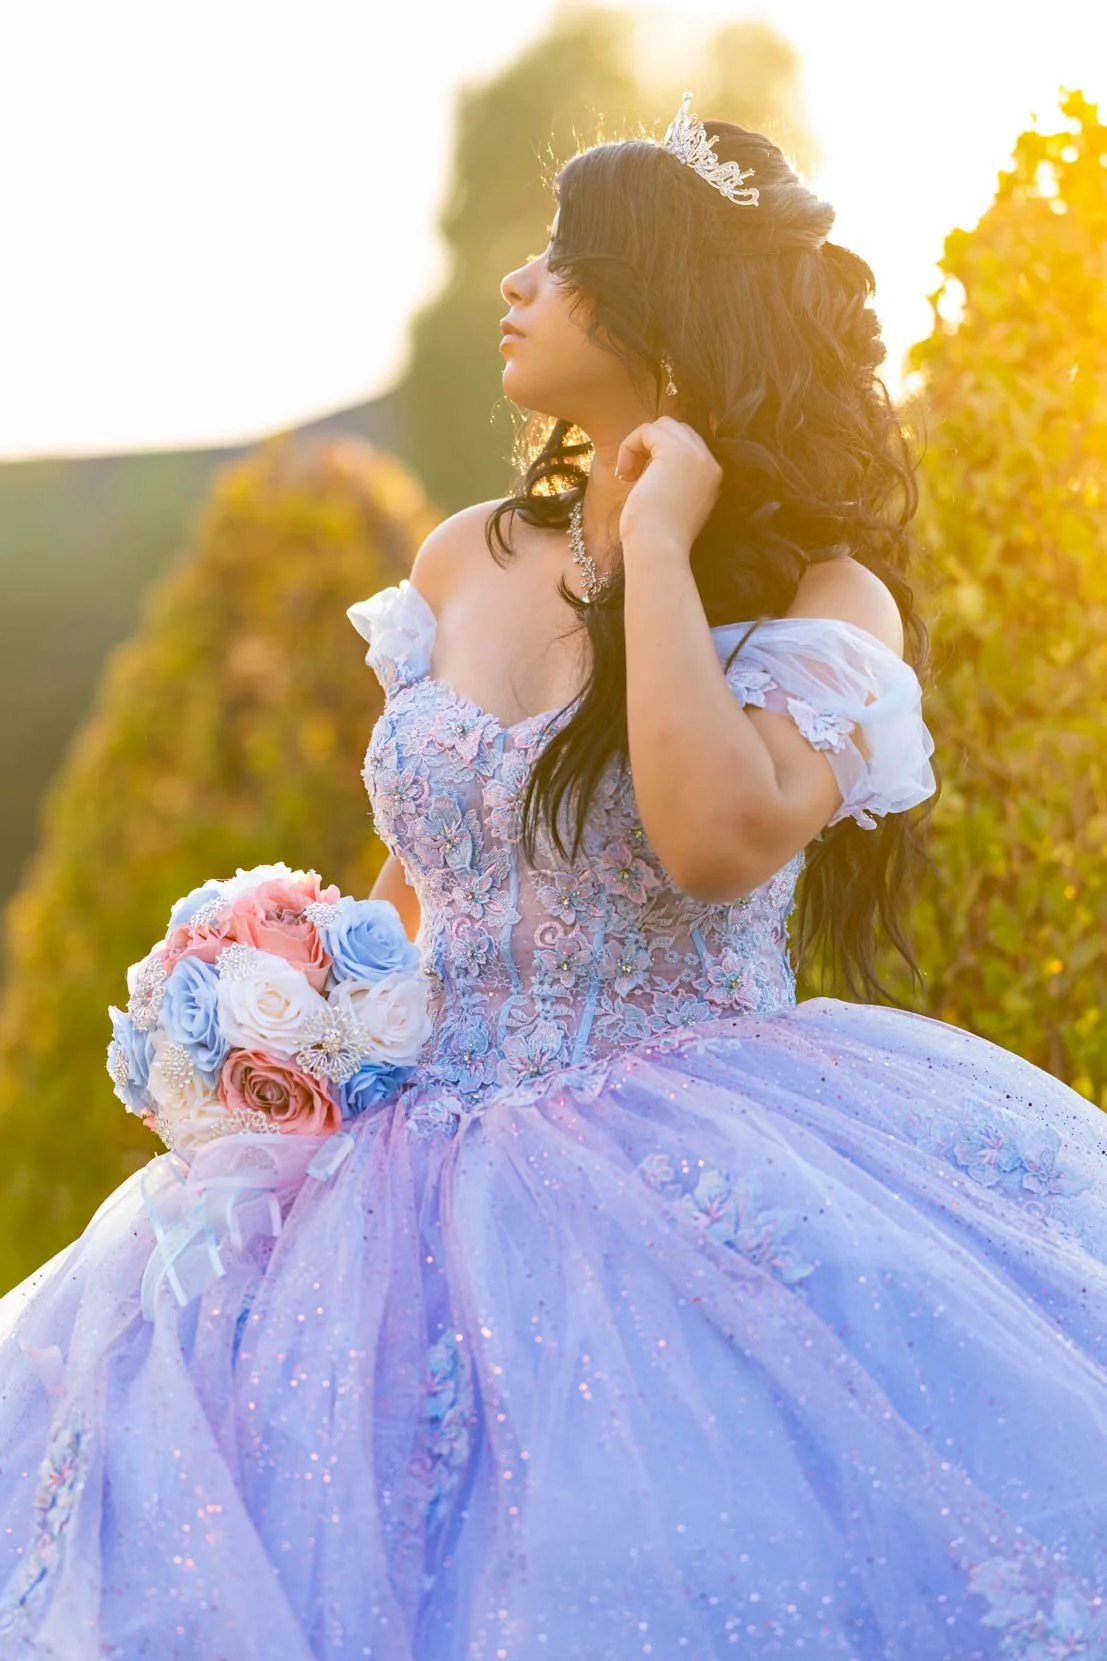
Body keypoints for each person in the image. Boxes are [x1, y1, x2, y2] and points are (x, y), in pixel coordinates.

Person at [1, 94, 1105, 1661]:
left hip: (686, 1164)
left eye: (562, 259)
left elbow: (713, 834)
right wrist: (287, 999)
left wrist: (655, 549)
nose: (517, 286)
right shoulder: (463, 557)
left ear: (660, 309)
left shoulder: (817, 594)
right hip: (393, 1188)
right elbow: (419, 880)